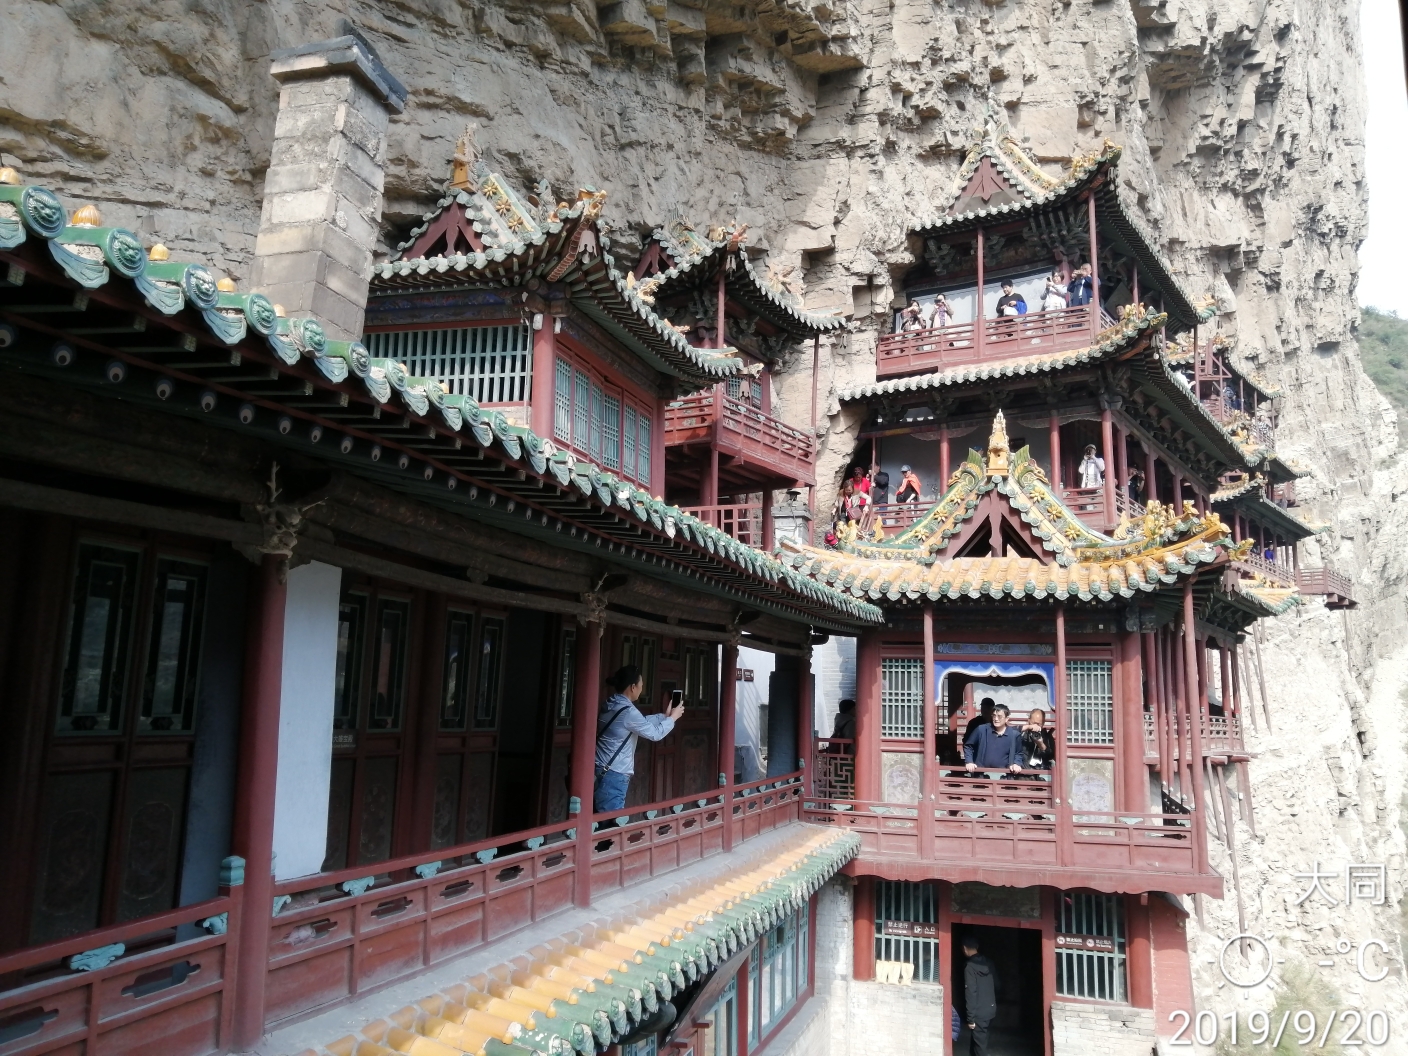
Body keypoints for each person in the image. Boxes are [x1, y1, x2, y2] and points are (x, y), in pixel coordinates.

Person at [594, 665, 685, 812]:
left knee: (598, 818)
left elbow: (640, 723)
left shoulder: (611, 703)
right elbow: (655, 734)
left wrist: (665, 716)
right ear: (632, 687)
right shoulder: (628, 712)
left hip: (599, 769)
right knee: (610, 821)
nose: (641, 689)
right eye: (641, 685)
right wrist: (673, 718)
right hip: (614, 774)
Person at [963, 703, 1022, 775]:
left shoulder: (1014, 734)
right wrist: (969, 761)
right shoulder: (982, 730)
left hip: (1005, 776)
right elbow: (968, 745)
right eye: (994, 716)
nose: (996, 719)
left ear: (1006, 719)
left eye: (999, 716)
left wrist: (1017, 763)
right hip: (982, 775)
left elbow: (1018, 753)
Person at [963, 939, 997, 1056]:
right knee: (979, 1042)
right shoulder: (989, 963)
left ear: (965, 949)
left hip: (979, 1013)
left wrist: (970, 1018)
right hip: (990, 1010)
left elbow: (971, 992)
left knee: (980, 1048)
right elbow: (997, 984)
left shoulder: (969, 967)